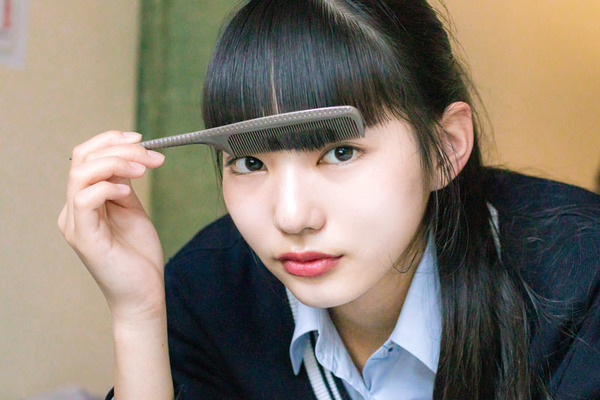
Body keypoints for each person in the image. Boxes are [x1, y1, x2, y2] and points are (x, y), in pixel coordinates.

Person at [58, 1, 600, 399]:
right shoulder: (206, 291)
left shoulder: (580, 272)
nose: (292, 216)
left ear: (446, 148)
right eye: (250, 163)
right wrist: (137, 314)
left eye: (340, 152)